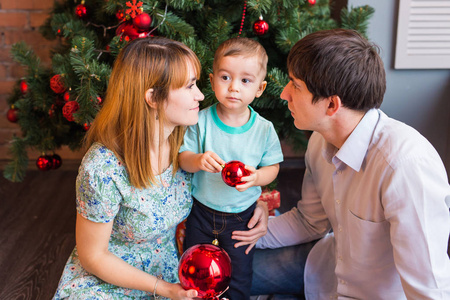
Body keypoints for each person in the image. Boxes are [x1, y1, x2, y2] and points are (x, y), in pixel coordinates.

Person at [251, 28, 450, 299]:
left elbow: (429, 290)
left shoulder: (405, 166)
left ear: (332, 105)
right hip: (323, 271)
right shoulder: (320, 141)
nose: (285, 94)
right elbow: (310, 222)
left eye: (295, 85)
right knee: (228, 270)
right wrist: (234, 230)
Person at [53, 37, 206, 299]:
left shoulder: (189, 141)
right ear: (153, 98)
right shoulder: (102, 168)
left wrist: (260, 203)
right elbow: (93, 256)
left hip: (169, 274)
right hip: (109, 278)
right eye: (189, 86)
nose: (200, 95)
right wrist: (164, 289)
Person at [178, 37, 283, 300]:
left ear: (260, 88)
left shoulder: (263, 129)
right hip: (201, 212)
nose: (234, 87)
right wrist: (198, 159)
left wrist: (257, 176)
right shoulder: (200, 121)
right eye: (225, 77)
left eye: (245, 81)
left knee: (238, 275)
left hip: (241, 217)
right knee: (194, 271)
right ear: (212, 80)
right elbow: (182, 157)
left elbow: (273, 167)